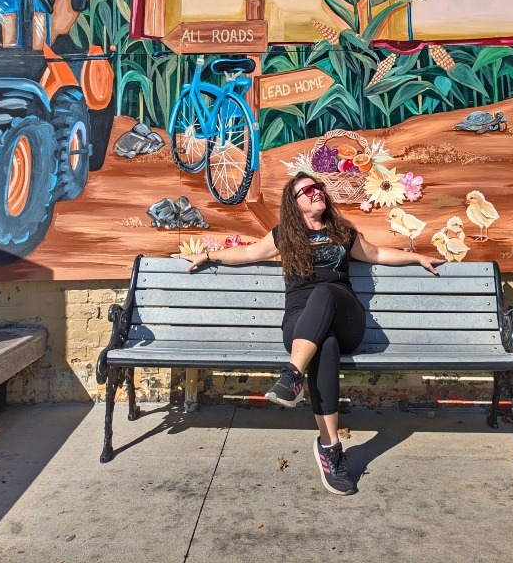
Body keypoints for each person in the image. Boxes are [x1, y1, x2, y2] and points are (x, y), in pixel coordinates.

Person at [187, 172, 443, 496]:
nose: (315, 192)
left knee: (326, 291)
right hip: (300, 323)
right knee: (326, 345)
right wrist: (209, 255)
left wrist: (416, 256)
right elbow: (249, 253)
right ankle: (330, 447)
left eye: (317, 187)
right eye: (305, 191)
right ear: (294, 204)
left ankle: (293, 375)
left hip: (345, 315)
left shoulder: (342, 232)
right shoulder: (285, 235)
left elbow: (377, 254)